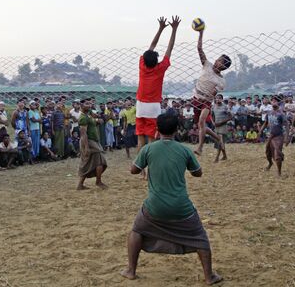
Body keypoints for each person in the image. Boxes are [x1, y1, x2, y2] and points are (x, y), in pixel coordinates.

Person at [120, 113, 222, 285]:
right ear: (177, 129)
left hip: (154, 207)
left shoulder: (148, 149)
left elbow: (134, 170)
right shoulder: (184, 150)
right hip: (181, 208)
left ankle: (131, 270)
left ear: (157, 129)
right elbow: (198, 173)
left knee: (136, 231)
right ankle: (209, 276)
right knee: (200, 238)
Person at [135, 16, 181, 178]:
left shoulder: (142, 65)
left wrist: (161, 28)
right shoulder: (160, 68)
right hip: (153, 107)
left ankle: (141, 170)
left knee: (140, 142)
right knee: (152, 142)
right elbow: (170, 48)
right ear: (156, 60)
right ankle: (150, 172)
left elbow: (151, 47)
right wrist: (174, 29)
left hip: (140, 106)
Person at [192, 28, 232, 155]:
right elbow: (199, 49)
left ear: (223, 67)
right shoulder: (207, 64)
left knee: (201, 122)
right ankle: (217, 137)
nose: (216, 61)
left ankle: (200, 148)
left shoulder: (221, 81)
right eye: (218, 59)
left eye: (220, 61)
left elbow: (213, 94)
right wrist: (201, 33)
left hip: (206, 102)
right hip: (195, 98)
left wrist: (207, 99)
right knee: (201, 126)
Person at [77, 99, 108, 190]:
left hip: (93, 141)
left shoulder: (88, 114)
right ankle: (98, 182)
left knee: (88, 163)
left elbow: (95, 116)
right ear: (81, 106)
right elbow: (83, 134)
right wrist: (86, 147)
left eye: (90, 103)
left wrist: (98, 120)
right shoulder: (83, 117)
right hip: (89, 141)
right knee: (100, 161)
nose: (90, 105)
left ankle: (80, 184)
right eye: (87, 104)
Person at [259, 99, 286, 177]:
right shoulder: (269, 113)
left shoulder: (281, 114)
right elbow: (265, 122)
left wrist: (287, 137)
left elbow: (286, 124)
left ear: (278, 103)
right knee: (267, 152)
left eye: (275, 101)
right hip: (270, 136)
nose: (274, 102)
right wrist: (260, 131)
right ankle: (270, 163)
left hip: (279, 136)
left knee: (277, 154)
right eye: (272, 101)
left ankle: (279, 172)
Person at [212, 94, 231, 163]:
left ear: (222, 99)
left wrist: (221, 122)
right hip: (216, 126)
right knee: (220, 141)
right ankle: (225, 156)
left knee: (220, 141)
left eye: (219, 98)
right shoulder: (213, 106)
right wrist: (213, 122)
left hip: (223, 126)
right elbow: (211, 115)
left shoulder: (225, 107)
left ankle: (217, 157)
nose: (218, 99)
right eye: (217, 98)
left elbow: (230, 117)